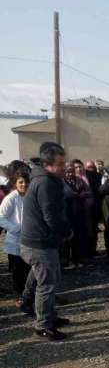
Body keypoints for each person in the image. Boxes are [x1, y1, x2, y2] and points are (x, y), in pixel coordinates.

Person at [20, 142, 73, 341]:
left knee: (44, 281)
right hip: (39, 243)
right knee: (47, 285)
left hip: (39, 242)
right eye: (61, 163)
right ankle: (43, 325)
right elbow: (51, 215)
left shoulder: (45, 180)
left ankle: (49, 316)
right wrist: (66, 232)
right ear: (49, 165)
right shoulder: (46, 183)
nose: (65, 166)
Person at [0, 164, 32, 313]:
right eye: (20, 182)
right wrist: (17, 228)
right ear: (15, 183)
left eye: (26, 182)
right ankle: (21, 298)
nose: (24, 184)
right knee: (19, 271)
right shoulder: (10, 198)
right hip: (16, 240)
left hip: (30, 239)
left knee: (30, 270)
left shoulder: (30, 196)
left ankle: (29, 297)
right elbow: (1, 218)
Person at [63, 163, 91, 266]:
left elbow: (89, 192)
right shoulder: (61, 182)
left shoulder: (79, 181)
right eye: (68, 172)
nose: (70, 174)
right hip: (66, 213)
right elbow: (64, 194)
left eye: (71, 171)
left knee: (78, 237)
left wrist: (82, 195)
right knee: (66, 237)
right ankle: (65, 259)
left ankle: (77, 258)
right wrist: (75, 195)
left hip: (79, 212)